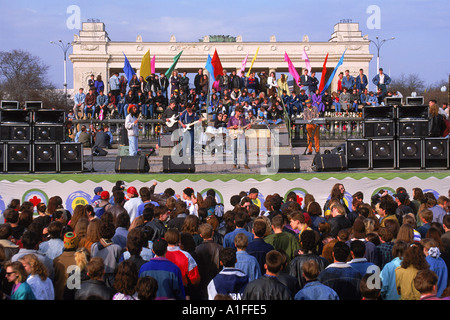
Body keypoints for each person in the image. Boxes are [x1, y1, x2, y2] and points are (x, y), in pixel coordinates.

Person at [164, 228, 200, 296]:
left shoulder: (160, 254)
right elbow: (195, 278)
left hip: (164, 288)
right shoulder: (186, 255)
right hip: (181, 289)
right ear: (179, 240)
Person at [195, 223, 223, 299]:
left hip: (203, 283)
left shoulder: (198, 249)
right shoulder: (220, 248)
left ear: (201, 235)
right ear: (212, 233)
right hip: (217, 281)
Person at [90, 221, 123, 288]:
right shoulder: (117, 248)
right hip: (111, 280)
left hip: (97, 279)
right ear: (113, 233)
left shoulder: (94, 246)